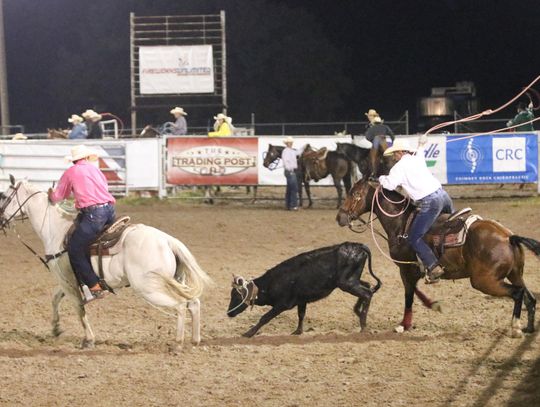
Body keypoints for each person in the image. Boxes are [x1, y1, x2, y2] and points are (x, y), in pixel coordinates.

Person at [378, 137, 454, 284]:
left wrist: (381, 178)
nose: (394, 157)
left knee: (414, 237)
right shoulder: (417, 159)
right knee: (452, 226)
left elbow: (389, 185)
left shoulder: (398, 167)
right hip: (444, 196)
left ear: (400, 152)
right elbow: (420, 151)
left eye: (395, 153)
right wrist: (421, 144)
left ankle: (433, 266)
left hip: (430, 202)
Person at [48, 145, 116, 302]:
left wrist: (51, 194)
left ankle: (94, 287)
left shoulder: (71, 172)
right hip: (109, 211)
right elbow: (104, 188)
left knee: (75, 249)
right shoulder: (96, 170)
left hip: (93, 215)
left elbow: (59, 196)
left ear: (74, 160)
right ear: (86, 158)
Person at [282, 136, 301, 211]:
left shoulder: (290, 151)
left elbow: (298, 152)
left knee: (290, 188)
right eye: (289, 142)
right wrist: (290, 169)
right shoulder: (286, 151)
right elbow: (286, 161)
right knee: (294, 188)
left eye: (291, 142)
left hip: (290, 171)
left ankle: (288, 205)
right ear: (287, 143)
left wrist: (304, 147)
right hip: (290, 171)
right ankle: (293, 205)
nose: (291, 143)